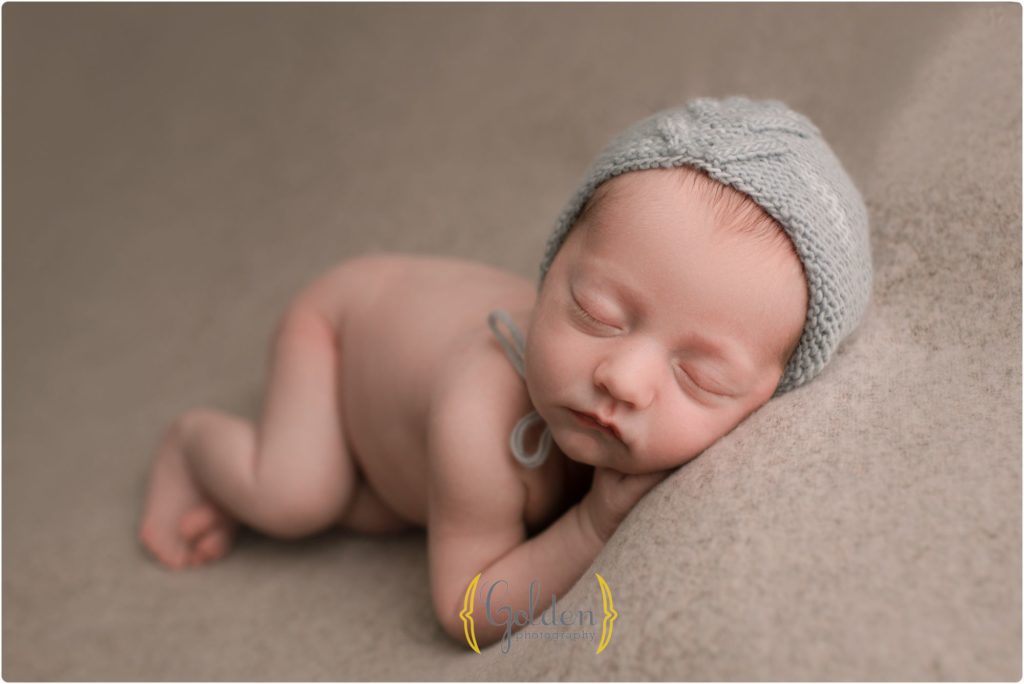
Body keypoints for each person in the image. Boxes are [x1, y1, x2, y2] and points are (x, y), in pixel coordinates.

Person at [138, 96, 872, 649]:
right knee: (301, 494)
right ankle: (193, 445)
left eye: (702, 377)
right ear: (550, 270)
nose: (623, 378)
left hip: (400, 391)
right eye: (596, 312)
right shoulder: (481, 414)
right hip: (339, 330)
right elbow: (465, 609)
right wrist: (590, 526)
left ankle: (373, 465)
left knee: (386, 507)